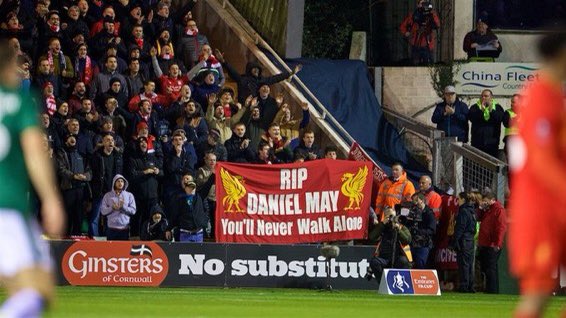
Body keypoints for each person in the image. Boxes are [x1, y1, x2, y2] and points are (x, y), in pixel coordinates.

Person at [0, 42, 65, 318]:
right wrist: (50, 198)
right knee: (39, 291)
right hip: (7, 206)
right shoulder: (17, 99)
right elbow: (34, 151)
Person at [509, 30, 566, 318]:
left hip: (554, 207)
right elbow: (542, 160)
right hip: (543, 210)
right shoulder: (541, 96)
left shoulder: (554, 96)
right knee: (538, 295)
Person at [215, 49, 301, 104]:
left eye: (257, 69)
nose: (256, 70)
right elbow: (232, 71)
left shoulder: (262, 80)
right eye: (254, 69)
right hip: (244, 105)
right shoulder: (242, 79)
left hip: (258, 106)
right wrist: (223, 61)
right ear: (249, 70)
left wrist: (290, 73)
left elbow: (276, 78)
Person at [367, 207, 412, 284]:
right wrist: (382, 224)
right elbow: (372, 237)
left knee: (404, 261)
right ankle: (383, 284)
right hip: (384, 258)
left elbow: (408, 240)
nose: (392, 219)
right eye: (390, 216)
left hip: (397, 257)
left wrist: (398, 230)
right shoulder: (382, 227)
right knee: (374, 262)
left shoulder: (401, 227)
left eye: (394, 216)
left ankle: (401, 284)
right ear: (385, 217)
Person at [476, 191, 507, 294]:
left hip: (492, 244)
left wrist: (498, 243)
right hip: (484, 243)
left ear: (492, 200)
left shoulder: (499, 210)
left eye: (486, 201)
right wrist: (480, 208)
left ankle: (492, 291)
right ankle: (489, 289)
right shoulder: (487, 210)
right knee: (485, 268)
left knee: (491, 268)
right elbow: (477, 217)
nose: (484, 203)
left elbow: (501, 227)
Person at [169, 174, 209, 242]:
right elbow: (174, 215)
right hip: (185, 234)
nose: (191, 189)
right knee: (185, 252)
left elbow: (208, 185)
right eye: (189, 187)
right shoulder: (179, 199)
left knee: (199, 252)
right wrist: (168, 228)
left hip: (198, 234)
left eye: (193, 187)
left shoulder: (199, 197)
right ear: (185, 188)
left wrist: (203, 220)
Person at [399, 0, 440, 65]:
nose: (423, 5)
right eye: (422, 3)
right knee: (415, 65)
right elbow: (402, 26)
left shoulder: (431, 14)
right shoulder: (413, 15)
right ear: (418, 5)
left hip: (428, 45)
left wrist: (431, 14)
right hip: (416, 43)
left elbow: (437, 25)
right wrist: (406, 32)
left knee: (428, 66)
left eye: (425, 3)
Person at [468, 89, 504, 158]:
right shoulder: (474, 107)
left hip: (492, 144)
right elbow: (472, 118)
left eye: (486, 96)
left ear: (491, 97)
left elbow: (500, 119)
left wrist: (491, 111)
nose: (483, 98)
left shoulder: (498, 107)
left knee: (491, 166)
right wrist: (481, 111)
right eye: (482, 96)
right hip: (477, 144)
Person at [453, 192, 477, 293]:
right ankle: (470, 285)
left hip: (464, 240)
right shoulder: (472, 211)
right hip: (470, 240)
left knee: (463, 264)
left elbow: (460, 228)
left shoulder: (463, 211)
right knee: (470, 264)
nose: (457, 201)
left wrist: (455, 240)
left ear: (463, 199)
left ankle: (464, 285)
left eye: (458, 199)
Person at [100, 174, 137, 240]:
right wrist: (112, 208)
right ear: (114, 183)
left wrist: (123, 207)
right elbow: (103, 211)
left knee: (123, 249)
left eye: (122, 181)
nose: (120, 183)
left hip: (124, 228)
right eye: (118, 181)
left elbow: (133, 211)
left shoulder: (129, 195)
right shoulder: (107, 195)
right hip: (111, 229)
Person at [407, 193, 436, 269]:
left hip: (423, 243)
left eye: (417, 200)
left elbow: (431, 230)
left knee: (421, 264)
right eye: (413, 201)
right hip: (412, 242)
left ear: (422, 200)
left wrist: (418, 231)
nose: (415, 203)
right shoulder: (412, 212)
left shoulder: (429, 213)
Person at [502, 93, 521, 158]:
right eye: (511, 102)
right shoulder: (507, 112)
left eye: (514, 102)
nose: (511, 104)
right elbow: (506, 124)